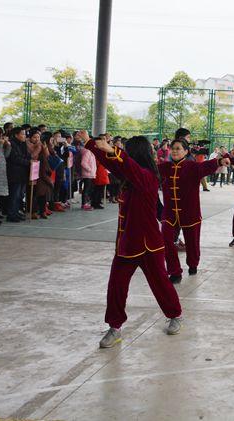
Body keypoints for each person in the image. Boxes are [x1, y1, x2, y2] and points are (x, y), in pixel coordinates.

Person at [75, 130, 183, 348]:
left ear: (136, 154)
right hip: (126, 245)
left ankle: (175, 315)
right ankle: (115, 327)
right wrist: (90, 143)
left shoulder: (147, 177)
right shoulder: (129, 176)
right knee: (116, 286)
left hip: (148, 244)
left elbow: (127, 166)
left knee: (160, 283)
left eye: (127, 151)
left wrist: (113, 150)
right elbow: (115, 164)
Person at [159, 138, 226, 283]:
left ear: (186, 151)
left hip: (190, 212)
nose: (175, 151)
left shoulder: (192, 166)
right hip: (169, 213)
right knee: (166, 240)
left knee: (192, 243)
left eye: (178, 148)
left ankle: (193, 264)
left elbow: (207, 166)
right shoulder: (164, 167)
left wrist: (220, 161)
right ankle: (175, 271)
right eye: (173, 148)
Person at [5, 127, 30, 222]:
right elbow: (14, 158)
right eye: (22, 134)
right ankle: (11, 214)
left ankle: (16, 212)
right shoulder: (12, 144)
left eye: (25, 134)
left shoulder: (23, 144)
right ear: (16, 135)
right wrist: (28, 162)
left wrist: (29, 160)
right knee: (14, 195)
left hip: (23, 173)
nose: (24, 136)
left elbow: (27, 155)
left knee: (20, 195)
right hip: (14, 173)